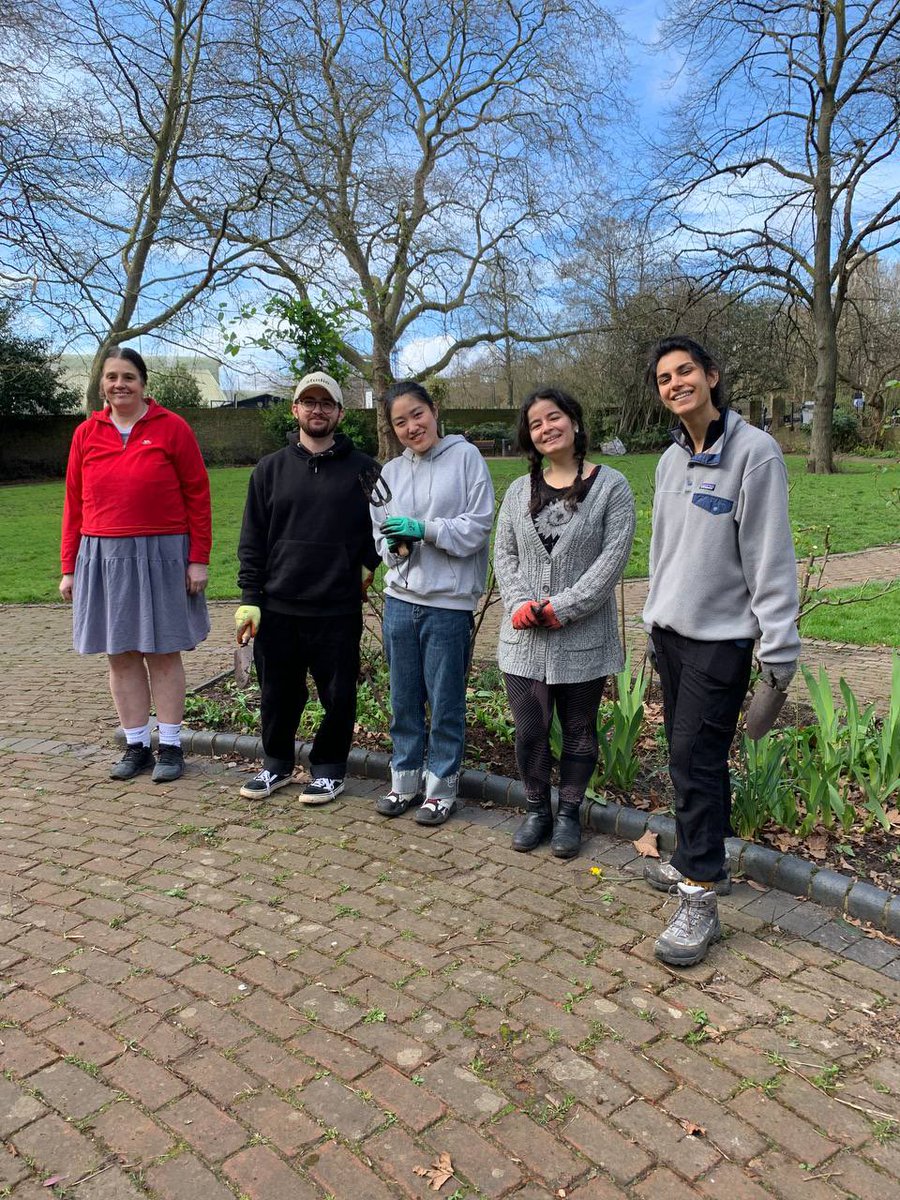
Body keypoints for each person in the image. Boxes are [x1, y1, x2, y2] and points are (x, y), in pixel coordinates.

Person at [642, 335, 800, 966]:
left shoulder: (755, 455)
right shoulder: (668, 460)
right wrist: (653, 620)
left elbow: (771, 559)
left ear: (710, 376)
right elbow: (663, 554)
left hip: (722, 643)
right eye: (663, 378)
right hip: (671, 636)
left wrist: (778, 655)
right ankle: (692, 860)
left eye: (685, 372)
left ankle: (700, 898)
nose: (675, 384)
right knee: (688, 759)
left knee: (695, 759)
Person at [494, 388, 636, 859]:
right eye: (535, 424)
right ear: (529, 438)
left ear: (574, 422)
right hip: (524, 640)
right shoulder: (518, 492)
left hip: (583, 638)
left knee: (579, 729)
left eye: (553, 418)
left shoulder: (611, 486)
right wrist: (518, 603)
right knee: (530, 730)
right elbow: (505, 554)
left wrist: (563, 606)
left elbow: (611, 561)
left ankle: (570, 813)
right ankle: (537, 809)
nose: (546, 428)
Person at [59, 347, 211, 783]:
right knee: (121, 654)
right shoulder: (86, 434)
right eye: (111, 377)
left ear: (144, 383)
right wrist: (69, 566)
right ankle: (136, 745)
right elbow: (74, 504)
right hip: (103, 556)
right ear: (101, 384)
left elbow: (198, 495)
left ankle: (171, 747)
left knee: (162, 652)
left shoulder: (172, 428)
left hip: (163, 555)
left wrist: (197, 559)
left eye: (128, 376)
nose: (119, 384)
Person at [235, 371, 379, 803]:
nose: (317, 410)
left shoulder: (365, 470)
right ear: (296, 409)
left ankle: (330, 768)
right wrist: (250, 598)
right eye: (308, 402)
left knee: (338, 694)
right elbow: (252, 539)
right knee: (278, 694)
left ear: (340, 412)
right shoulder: (269, 469)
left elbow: (383, 530)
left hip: (335, 607)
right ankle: (275, 764)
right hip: (278, 606)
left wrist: (366, 566)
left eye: (326, 403)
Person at [371, 381, 494, 826]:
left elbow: (478, 527)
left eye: (417, 415)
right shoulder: (390, 473)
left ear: (434, 411)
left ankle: (441, 787)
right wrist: (396, 545)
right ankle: (403, 779)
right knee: (402, 697)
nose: (411, 427)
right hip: (400, 600)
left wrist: (424, 529)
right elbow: (379, 531)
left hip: (448, 603)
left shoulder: (466, 459)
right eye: (400, 421)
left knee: (444, 701)